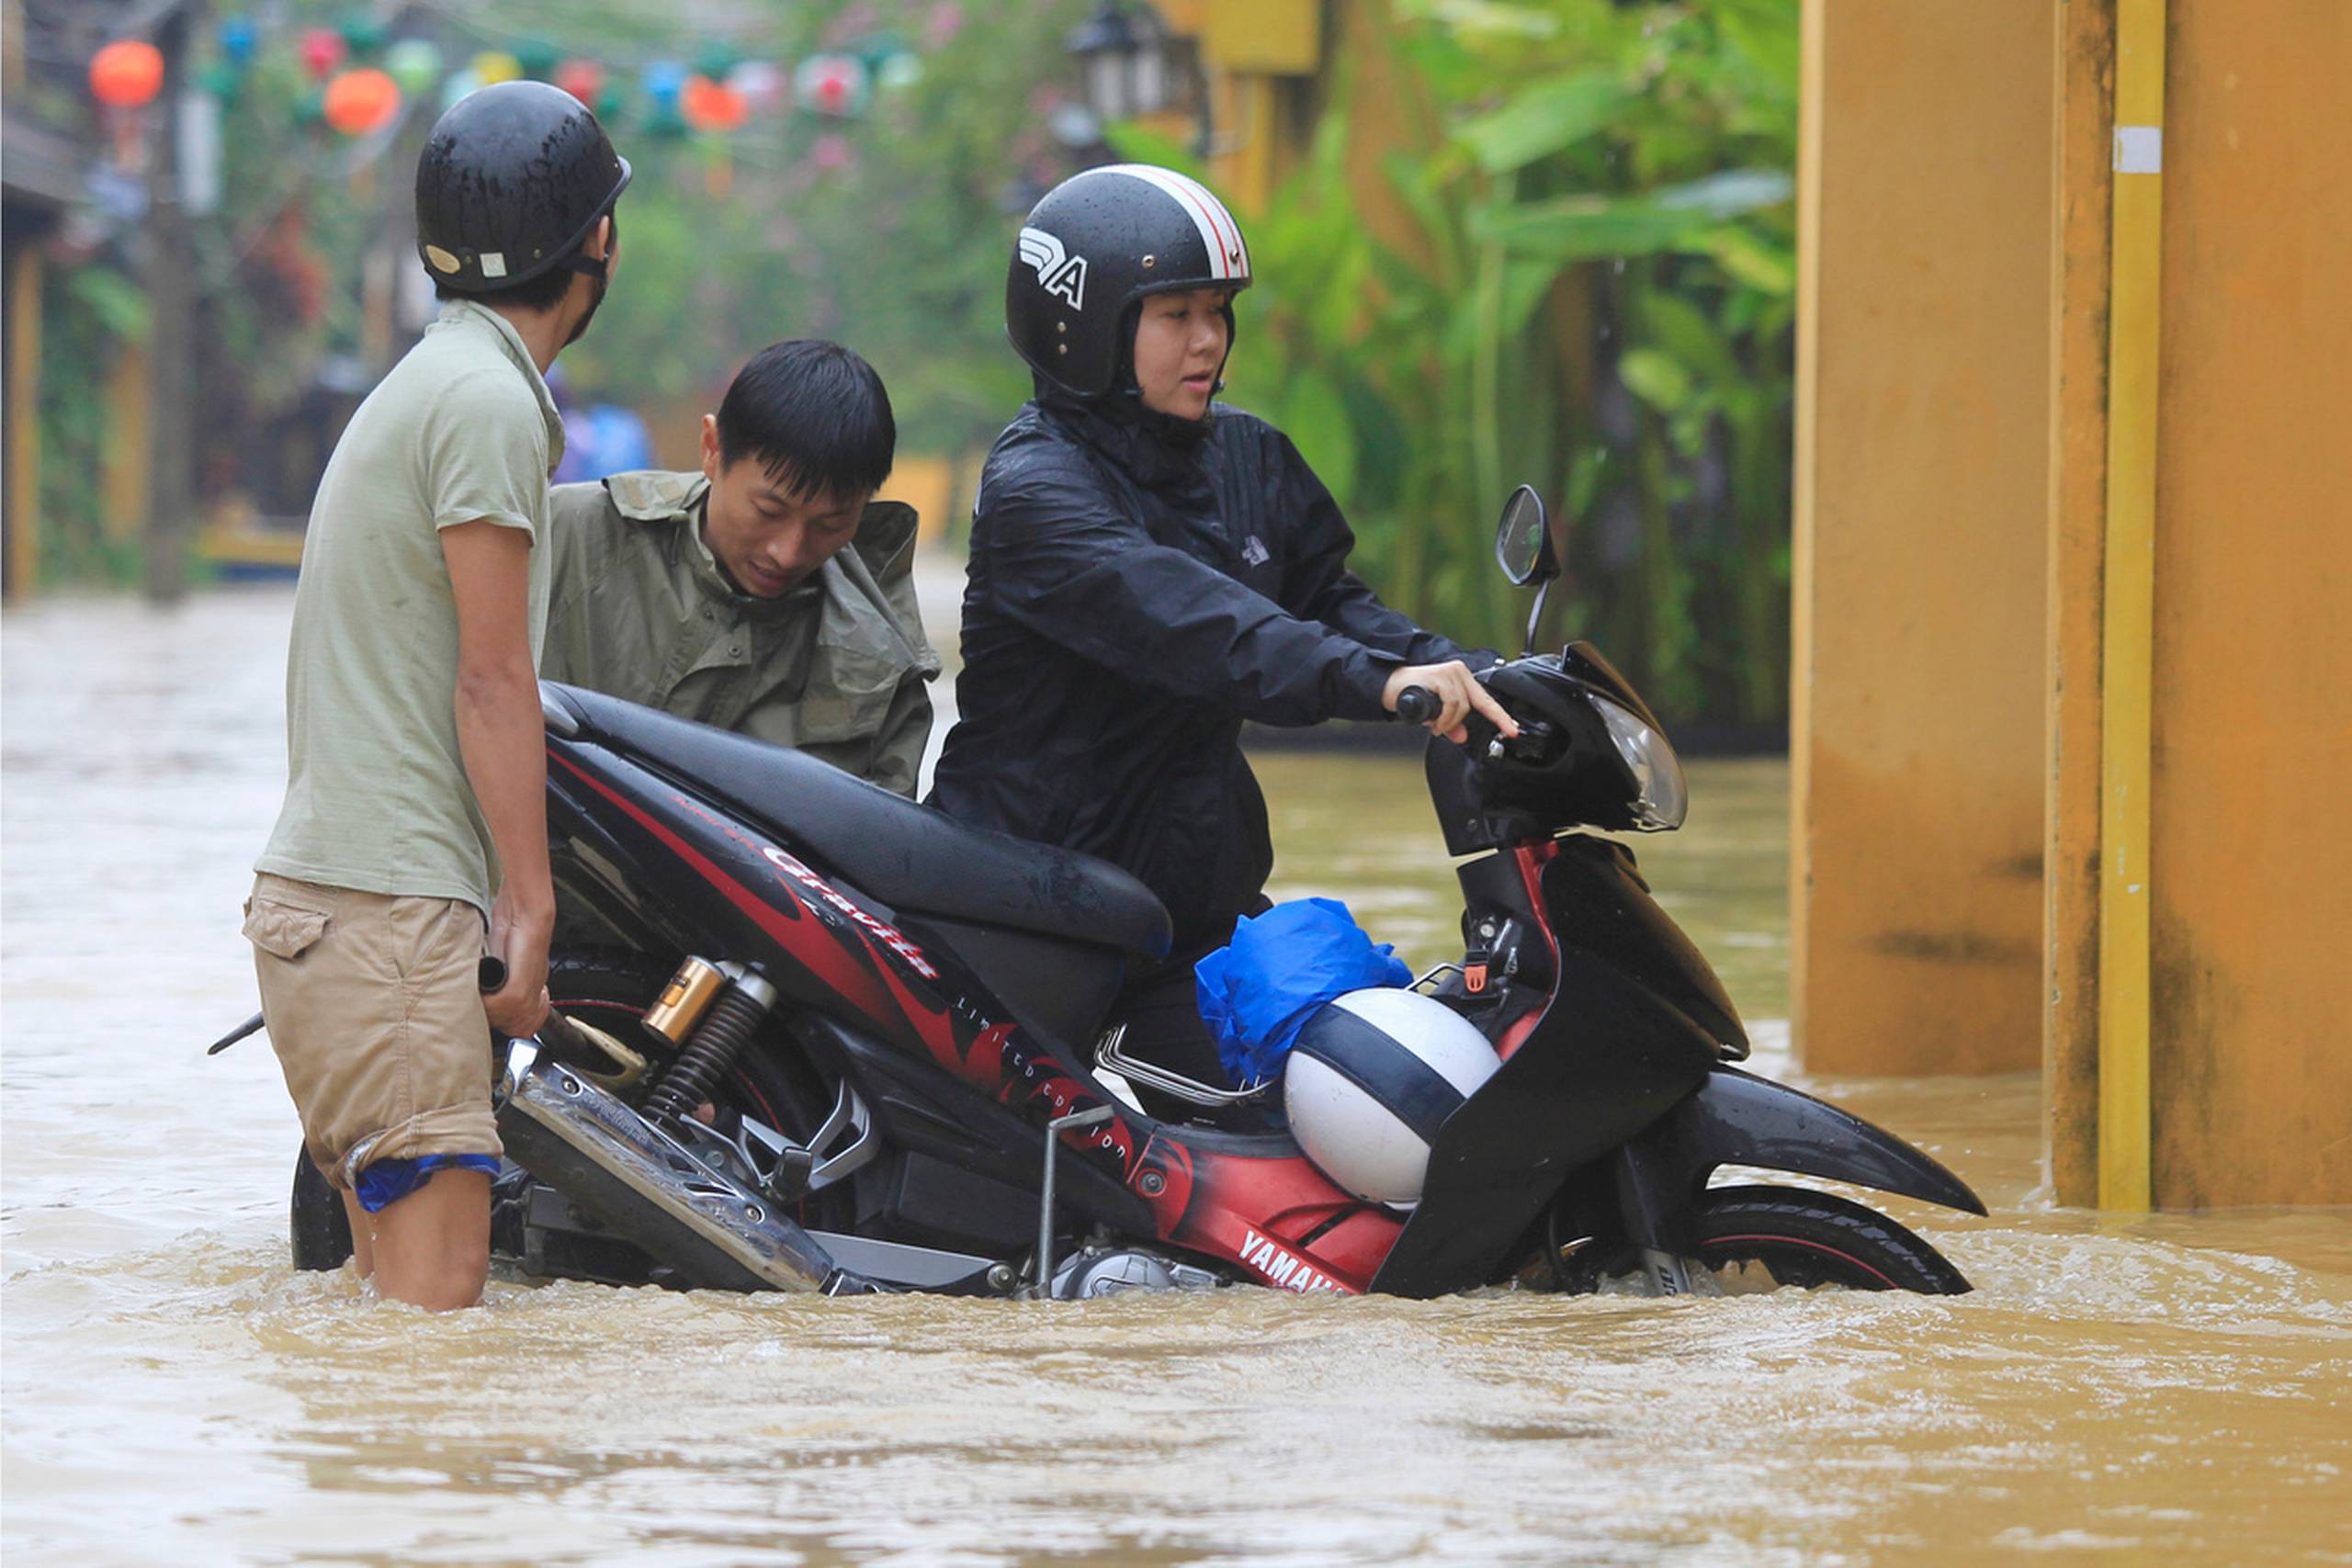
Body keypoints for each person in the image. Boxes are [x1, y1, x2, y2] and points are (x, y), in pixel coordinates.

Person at [930, 164, 1515, 1122]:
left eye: (1218, 312)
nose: (1207, 341)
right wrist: (1374, 684)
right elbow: (1203, 625)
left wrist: (1477, 672)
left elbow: (1326, 598)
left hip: (1191, 910)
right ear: (1084, 326)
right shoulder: (1039, 490)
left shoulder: (1249, 457)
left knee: (1347, 1112)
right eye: (1174, 315)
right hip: (1038, 911)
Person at [242, 82, 628, 1311]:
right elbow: (490, 672)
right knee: (437, 1332)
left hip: (327, 916)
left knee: (385, 1336)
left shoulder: (436, 379)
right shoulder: (486, 402)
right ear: (598, 243)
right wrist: (531, 904)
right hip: (394, 923)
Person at [541, 340, 937, 796]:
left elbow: (870, 846)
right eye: (769, 511)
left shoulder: (880, 659)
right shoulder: (568, 537)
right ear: (712, 449)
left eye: (830, 524)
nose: (788, 553)